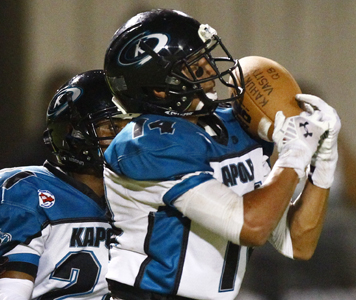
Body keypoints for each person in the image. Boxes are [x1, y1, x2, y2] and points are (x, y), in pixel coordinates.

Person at [100, 9, 340, 300]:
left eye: (206, 57)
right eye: (195, 65)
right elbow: (250, 226)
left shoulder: (233, 127)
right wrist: (293, 154)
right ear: (159, 89)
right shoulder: (148, 144)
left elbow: (297, 242)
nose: (212, 69)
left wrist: (322, 163)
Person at [0, 70, 131, 300]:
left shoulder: (143, 193)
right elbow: (10, 293)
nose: (126, 138)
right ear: (72, 134)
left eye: (130, 126)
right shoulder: (33, 194)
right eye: (113, 126)